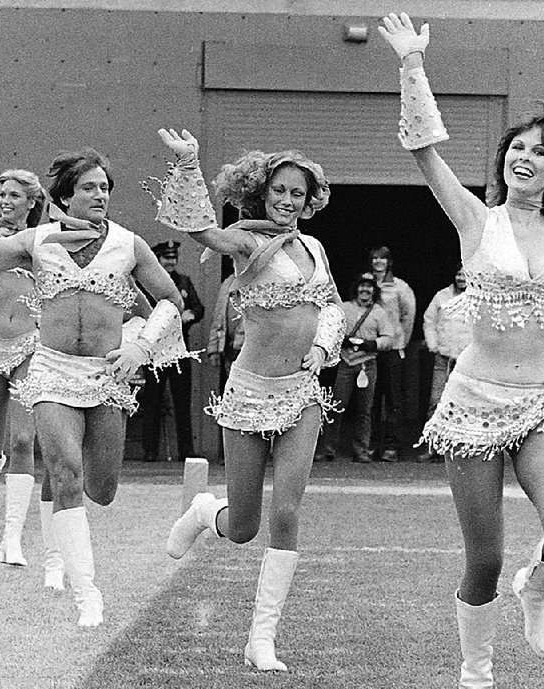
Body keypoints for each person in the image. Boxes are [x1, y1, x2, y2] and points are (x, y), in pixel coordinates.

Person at [380, 13, 544, 687]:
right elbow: (423, 149)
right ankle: (476, 671)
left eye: (537, 151)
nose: (523, 157)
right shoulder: (478, 219)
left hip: (539, 407)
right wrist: (412, 64)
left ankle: (537, 589)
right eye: (515, 148)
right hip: (472, 405)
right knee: (483, 559)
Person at [0, 146, 187, 628]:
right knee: (65, 473)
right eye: (89, 187)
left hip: (107, 376)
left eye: (105, 188)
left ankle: (186, 514)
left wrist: (138, 349)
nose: (100, 195)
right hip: (51, 370)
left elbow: (170, 301)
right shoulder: (37, 240)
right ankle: (86, 593)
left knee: (101, 490)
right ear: (65, 195)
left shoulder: (129, 243)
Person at [155, 129, 345, 672]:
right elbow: (200, 230)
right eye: (280, 191)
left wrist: (325, 346)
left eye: (298, 194)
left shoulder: (314, 247)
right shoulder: (245, 240)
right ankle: (203, 509)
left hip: (302, 394)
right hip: (248, 393)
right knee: (243, 527)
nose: (288, 202)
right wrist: (190, 163)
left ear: (311, 202)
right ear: (263, 194)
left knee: (286, 511)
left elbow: (330, 306)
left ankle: (261, 638)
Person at [315, 272, 394, 463]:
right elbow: (330, 327)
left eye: (369, 287)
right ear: (356, 288)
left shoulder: (379, 312)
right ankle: (327, 449)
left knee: (364, 411)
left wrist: (372, 344)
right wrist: (342, 341)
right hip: (345, 363)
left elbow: (389, 338)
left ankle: (361, 450)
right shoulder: (344, 308)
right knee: (336, 407)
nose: (365, 290)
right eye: (362, 286)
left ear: (374, 291)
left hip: (367, 365)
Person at [140, 240, 204, 461]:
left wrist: (192, 315)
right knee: (153, 400)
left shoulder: (183, 282)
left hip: (179, 350)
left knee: (182, 402)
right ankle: (150, 450)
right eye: (167, 258)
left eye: (173, 258)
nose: (171, 262)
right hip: (155, 351)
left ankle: (186, 450)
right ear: (158, 259)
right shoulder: (150, 281)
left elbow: (198, 308)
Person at [417, 263, 471, 462]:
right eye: (458, 274)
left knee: (465, 405)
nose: (461, 279)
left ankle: (460, 450)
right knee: (436, 401)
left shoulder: (479, 297)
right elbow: (429, 320)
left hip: (468, 360)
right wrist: (433, 344)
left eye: (465, 275)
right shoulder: (441, 296)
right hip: (444, 357)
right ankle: (433, 447)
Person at [368, 245, 416, 462]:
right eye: (375, 258)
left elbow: (408, 316)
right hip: (369, 348)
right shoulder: (366, 283)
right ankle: (369, 445)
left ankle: (391, 446)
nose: (378, 262)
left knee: (393, 400)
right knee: (370, 400)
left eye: (382, 258)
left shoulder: (399, 287)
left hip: (393, 350)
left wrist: (401, 343)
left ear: (389, 262)